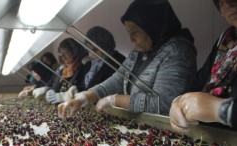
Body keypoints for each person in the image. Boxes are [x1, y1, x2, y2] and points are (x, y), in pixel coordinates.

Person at [58, 0, 197, 118]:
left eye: (135, 31)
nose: (131, 39)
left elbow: (165, 104)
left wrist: (115, 100)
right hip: (140, 123)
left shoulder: (178, 51)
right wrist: (87, 96)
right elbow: (117, 80)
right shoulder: (137, 53)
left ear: (152, 26)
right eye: (128, 32)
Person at [169, 0, 237, 131]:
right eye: (221, 2)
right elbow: (198, 82)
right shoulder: (226, 41)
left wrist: (222, 110)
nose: (228, 5)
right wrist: (178, 102)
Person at [45, 38, 88, 104]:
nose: (63, 57)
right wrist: (52, 91)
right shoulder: (63, 69)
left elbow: (84, 89)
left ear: (74, 50)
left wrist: (65, 96)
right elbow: (55, 87)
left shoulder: (84, 66)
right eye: (61, 54)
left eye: (65, 53)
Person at [83, 26, 126, 91]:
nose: (91, 54)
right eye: (89, 50)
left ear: (105, 45)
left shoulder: (118, 61)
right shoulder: (91, 64)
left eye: (95, 49)